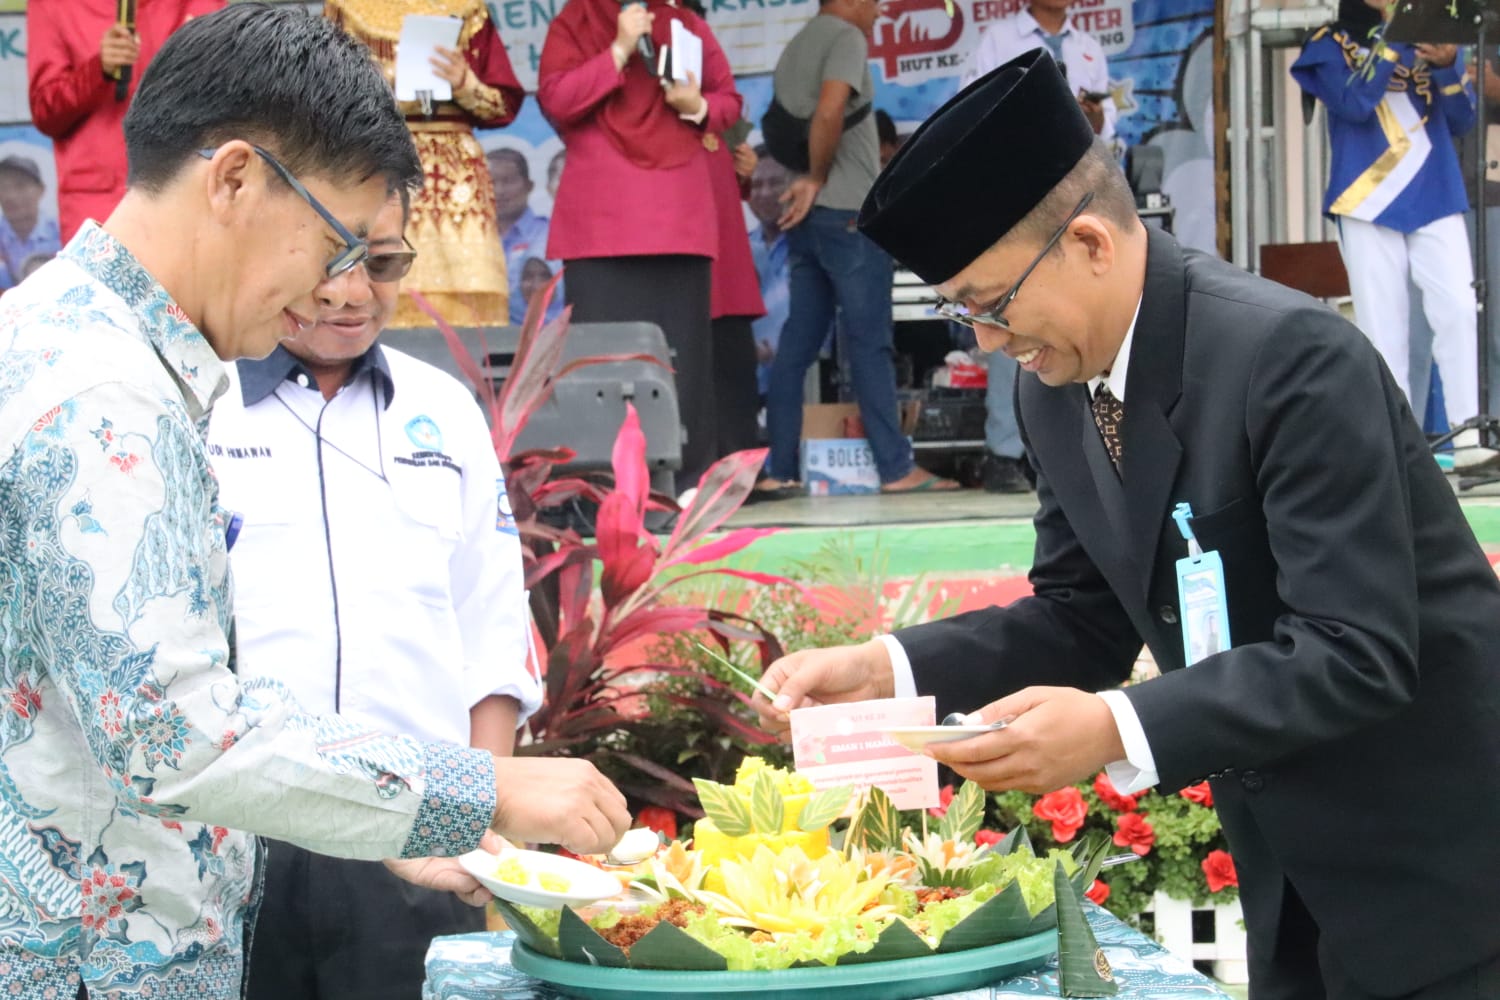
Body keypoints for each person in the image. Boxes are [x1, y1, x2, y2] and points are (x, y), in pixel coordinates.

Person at [757, 49, 1500, 997]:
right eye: (961, 315)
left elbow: (1357, 650)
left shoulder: (1288, 358)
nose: (986, 342)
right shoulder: (1055, 389)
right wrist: (886, 667)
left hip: (1441, 870)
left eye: (990, 304)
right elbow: (1083, 616)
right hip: (1291, 874)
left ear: (1092, 246)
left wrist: (1113, 727)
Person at [0, 7, 629, 996]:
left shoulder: (78, 343)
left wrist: (401, 815)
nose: (333, 293)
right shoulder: (106, 392)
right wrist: (482, 789)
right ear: (235, 180)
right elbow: (177, 734)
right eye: (334, 243)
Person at [208, 191, 543, 999]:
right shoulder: (197, 403)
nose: (352, 293)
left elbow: (491, 631)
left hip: (413, 847)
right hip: (233, 846)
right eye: (329, 262)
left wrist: (470, 821)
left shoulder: (445, 411)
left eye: (382, 263)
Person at [539, 0, 743, 492]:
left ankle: (688, 481)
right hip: (602, 224)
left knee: (683, 358)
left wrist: (695, 106)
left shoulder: (685, 25)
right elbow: (556, 100)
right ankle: (599, 486)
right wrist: (618, 50)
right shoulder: (578, 20)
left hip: (678, 218)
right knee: (599, 360)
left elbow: (728, 101)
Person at [1292, 0, 1496, 471]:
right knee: (1384, 326)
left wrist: (1447, 66)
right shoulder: (1329, 43)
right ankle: (1398, 446)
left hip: (1435, 187)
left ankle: (1468, 435)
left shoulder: (1436, 37)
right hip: (1366, 195)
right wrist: (1393, 36)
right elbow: (1355, 104)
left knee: (1460, 309)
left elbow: (1465, 119)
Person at [765, 0, 957, 496]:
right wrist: (817, 178)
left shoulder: (796, 47)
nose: (878, 12)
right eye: (872, 3)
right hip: (847, 212)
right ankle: (895, 469)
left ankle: (779, 470)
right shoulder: (845, 38)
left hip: (808, 222)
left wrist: (809, 184)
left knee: (796, 347)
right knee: (870, 344)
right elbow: (830, 108)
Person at [962, 0, 1113, 495]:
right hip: (1013, 205)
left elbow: (1110, 130)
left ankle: (1084, 453)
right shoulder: (998, 41)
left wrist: (1091, 115)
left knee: (1077, 323)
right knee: (1009, 321)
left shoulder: (1088, 47)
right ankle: (1005, 453)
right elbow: (972, 120)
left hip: (1079, 203)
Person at [325, 0, 525, 329]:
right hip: (377, 158)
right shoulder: (345, 7)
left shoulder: (469, 9)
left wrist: (464, 83)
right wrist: (378, 85)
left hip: (454, 166)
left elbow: (503, 106)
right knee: (380, 263)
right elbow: (322, 96)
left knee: (468, 276)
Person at [26, 0, 224, 244]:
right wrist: (99, 69)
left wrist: (209, 64)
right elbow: (45, 111)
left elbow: (231, 99)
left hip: (185, 186)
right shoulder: (51, 5)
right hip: (98, 203)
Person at [961, 0, 1115, 140]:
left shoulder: (1089, 46)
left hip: (1082, 162)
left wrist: (1097, 118)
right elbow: (971, 109)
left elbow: (1107, 117)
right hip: (1020, 158)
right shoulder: (996, 39)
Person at [487, 146, 564, 326]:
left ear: (529, 185)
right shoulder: (470, 240)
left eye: (508, 181)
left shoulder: (550, 235)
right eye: (490, 182)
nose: (499, 191)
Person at [747, 148, 792, 399]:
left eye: (775, 183)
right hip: (747, 389)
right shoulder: (738, 249)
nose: (764, 193)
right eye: (756, 185)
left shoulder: (811, 248)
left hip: (807, 386)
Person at [0, 155, 62, 290]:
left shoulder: (62, 232)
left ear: (41, 189)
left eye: (20, 186)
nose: (10, 196)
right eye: (3, 187)